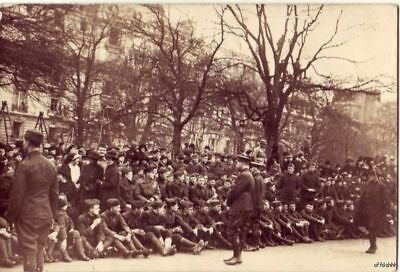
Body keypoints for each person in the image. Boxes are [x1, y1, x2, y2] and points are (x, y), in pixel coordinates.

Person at [7, 129, 59, 272]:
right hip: (46, 214)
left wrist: (10, 218)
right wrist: (52, 215)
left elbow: (17, 195)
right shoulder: (51, 166)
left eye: (24, 141)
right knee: (39, 247)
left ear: (28, 142)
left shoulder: (24, 165)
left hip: (28, 216)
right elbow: (54, 195)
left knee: (29, 250)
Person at [223, 154, 255, 265]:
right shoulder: (248, 175)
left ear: (243, 163)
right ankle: (237, 256)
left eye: (238, 162)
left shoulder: (244, 175)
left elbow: (235, 191)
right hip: (246, 206)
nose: (236, 164)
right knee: (239, 231)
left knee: (233, 230)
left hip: (240, 206)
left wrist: (228, 202)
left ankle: (236, 257)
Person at [355, 170, 389, 254]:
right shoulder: (366, 185)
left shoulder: (381, 186)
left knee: (372, 227)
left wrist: (384, 211)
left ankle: (372, 246)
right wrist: (358, 208)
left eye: (372, 175)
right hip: (366, 210)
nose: (370, 177)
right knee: (358, 223)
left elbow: (385, 200)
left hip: (377, 211)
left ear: (376, 176)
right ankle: (370, 238)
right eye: (369, 176)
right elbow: (362, 197)